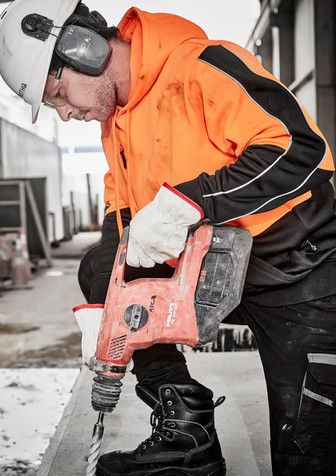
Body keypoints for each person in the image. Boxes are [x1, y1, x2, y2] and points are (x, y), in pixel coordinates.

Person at [1, 1, 336, 475]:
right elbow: (120, 213)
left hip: (297, 271)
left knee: (306, 456)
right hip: (215, 271)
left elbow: (302, 149)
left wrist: (193, 200)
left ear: (84, 49)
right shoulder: (113, 117)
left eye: (56, 94)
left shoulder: (202, 64)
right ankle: (188, 433)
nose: (63, 113)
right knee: (101, 266)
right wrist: (109, 307)